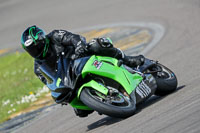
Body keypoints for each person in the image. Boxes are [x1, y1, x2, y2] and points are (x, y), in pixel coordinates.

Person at [21, 25, 145, 117]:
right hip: (71, 79)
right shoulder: (38, 68)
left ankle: (127, 59)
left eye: (37, 46)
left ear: (43, 40)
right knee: (81, 112)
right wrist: (59, 94)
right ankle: (104, 99)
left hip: (81, 58)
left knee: (98, 44)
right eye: (31, 50)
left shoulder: (55, 36)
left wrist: (79, 46)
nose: (35, 51)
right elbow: (50, 82)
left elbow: (74, 38)